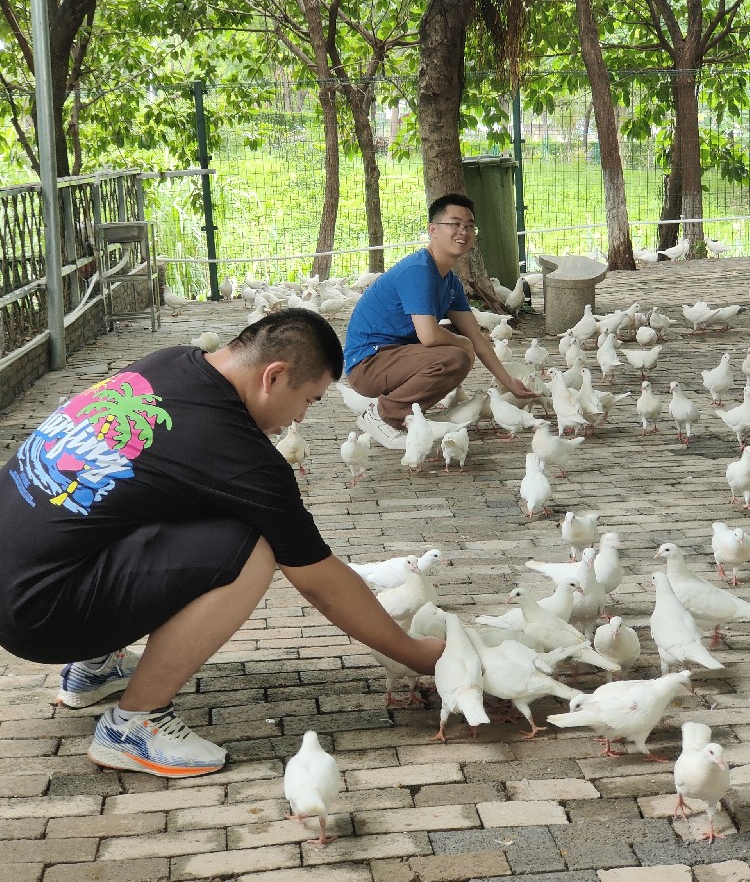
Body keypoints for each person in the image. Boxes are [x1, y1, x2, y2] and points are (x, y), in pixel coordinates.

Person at [0, 309, 444, 777]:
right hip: (38, 613)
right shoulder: (240, 455)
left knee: (163, 497)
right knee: (249, 549)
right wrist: (414, 653)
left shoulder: (171, 363)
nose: (302, 417)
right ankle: (133, 724)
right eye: (309, 400)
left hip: (22, 577)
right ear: (274, 376)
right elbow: (319, 579)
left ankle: (94, 667)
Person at [344, 192, 534, 449]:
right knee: (454, 357)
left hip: (395, 358)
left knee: (460, 354)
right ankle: (382, 415)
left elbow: (476, 337)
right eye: (454, 224)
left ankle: (404, 416)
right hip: (368, 364)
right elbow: (429, 336)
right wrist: (462, 342)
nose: (463, 232)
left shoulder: (449, 280)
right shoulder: (418, 271)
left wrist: (507, 381)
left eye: (469, 226)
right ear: (433, 230)